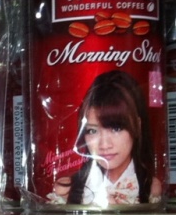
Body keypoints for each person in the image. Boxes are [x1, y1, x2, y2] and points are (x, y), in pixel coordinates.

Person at [49, 70, 161, 207]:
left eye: (116, 128)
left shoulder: (151, 187)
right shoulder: (66, 190)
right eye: (92, 131)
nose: (104, 144)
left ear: (137, 126)